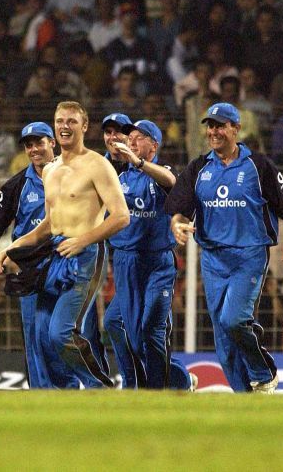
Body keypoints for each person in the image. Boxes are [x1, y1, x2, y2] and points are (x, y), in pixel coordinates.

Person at [166, 102, 283, 393]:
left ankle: (264, 372)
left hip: (249, 255)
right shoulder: (199, 168)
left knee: (234, 319)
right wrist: (177, 224)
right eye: (210, 126)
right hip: (213, 258)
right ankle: (246, 398)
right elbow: (179, 209)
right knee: (223, 340)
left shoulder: (259, 166)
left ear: (236, 129)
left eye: (220, 125)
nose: (214, 131)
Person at [0, 101, 129, 388]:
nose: (64, 126)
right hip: (54, 253)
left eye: (71, 121)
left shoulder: (98, 164)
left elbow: (121, 216)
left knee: (60, 333)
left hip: (85, 255)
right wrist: (12, 246)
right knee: (42, 334)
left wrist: (83, 240)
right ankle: (63, 396)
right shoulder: (51, 170)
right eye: (59, 121)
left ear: (84, 126)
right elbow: (48, 224)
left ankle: (100, 387)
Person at [0, 122, 76, 389]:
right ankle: (42, 396)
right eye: (29, 145)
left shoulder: (75, 176)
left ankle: (71, 392)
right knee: (35, 338)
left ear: (52, 142)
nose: (34, 149)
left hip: (67, 265)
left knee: (60, 334)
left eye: (39, 142)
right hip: (29, 272)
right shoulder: (16, 186)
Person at [103, 119, 194, 390]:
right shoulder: (120, 176)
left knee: (149, 329)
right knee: (116, 325)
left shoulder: (161, 171)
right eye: (129, 136)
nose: (131, 141)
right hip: (126, 261)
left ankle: (159, 388)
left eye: (139, 137)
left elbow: (173, 182)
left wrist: (140, 163)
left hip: (156, 264)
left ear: (154, 144)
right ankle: (144, 384)